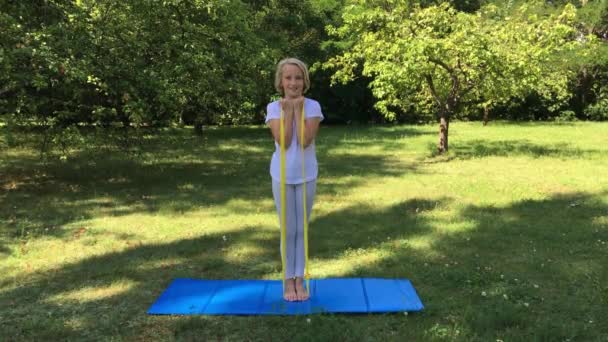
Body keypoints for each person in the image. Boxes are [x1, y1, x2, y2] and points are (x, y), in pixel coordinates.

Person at [265, 58, 323, 301]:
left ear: (305, 81)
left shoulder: (313, 106)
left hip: (306, 174)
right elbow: (285, 141)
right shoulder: (272, 107)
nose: (293, 82)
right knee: (287, 229)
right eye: (288, 78)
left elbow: (305, 139)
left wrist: (298, 110)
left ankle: (301, 280)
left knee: (301, 228)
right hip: (282, 176)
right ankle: (288, 281)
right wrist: (288, 111)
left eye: (298, 78)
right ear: (281, 81)